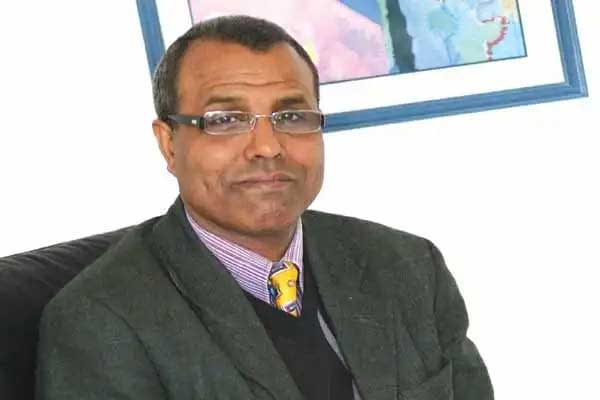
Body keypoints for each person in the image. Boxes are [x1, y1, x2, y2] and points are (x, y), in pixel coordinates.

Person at [35, 15, 493, 400]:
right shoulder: (99, 323)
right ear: (169, 144)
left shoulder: (408, 267)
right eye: (225, 120)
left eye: (291, 116)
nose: (268, 147)